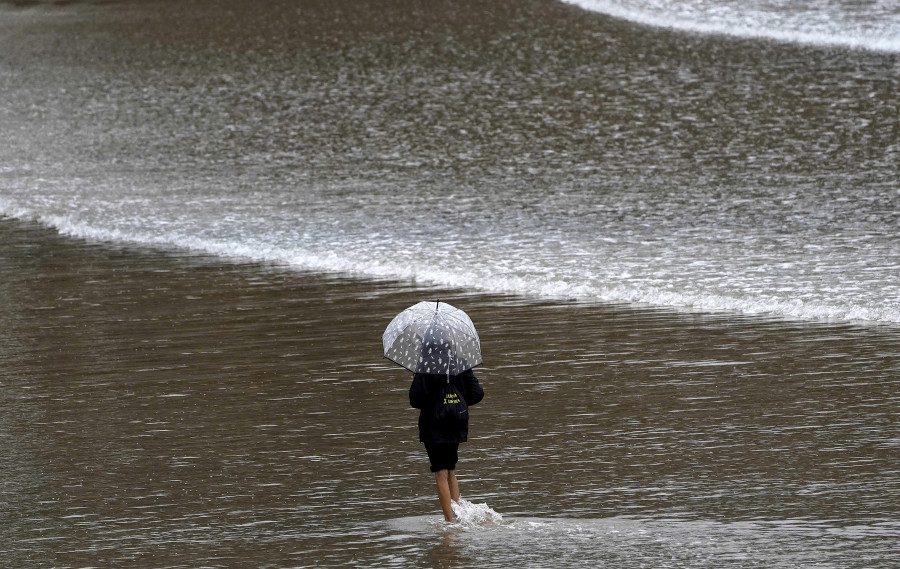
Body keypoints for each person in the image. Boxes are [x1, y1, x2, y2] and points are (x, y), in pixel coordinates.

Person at [409, 363, 484, 523]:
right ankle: (458, 517)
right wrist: (457, 400)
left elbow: (415, 399)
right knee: (450, 470)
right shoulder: (462, 363)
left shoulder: (426, 366)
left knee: (440, 472)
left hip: (433, 425)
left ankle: (449, 523)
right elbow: (477, 393)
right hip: (456, 422)